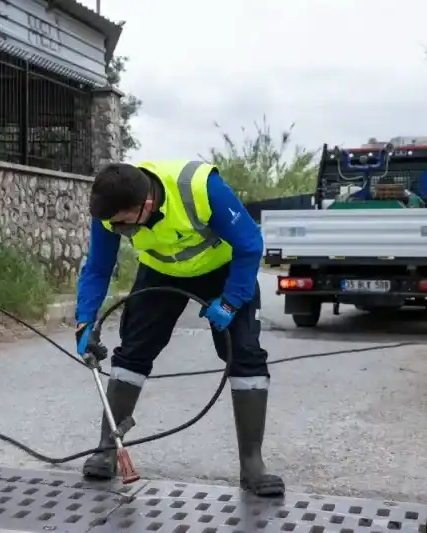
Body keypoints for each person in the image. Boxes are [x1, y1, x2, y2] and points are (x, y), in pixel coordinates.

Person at [74, 160, 284, 497]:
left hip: (223, 269)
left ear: (145, 205)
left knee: (245, 354)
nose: (119, 229)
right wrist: (85, 321)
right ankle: (107, 449)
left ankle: (253, 465)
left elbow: (249, 244)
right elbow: (99, 266)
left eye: (124, 223)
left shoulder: (202, 188)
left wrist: (230, 302)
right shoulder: (111, 210)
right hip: (160, 271)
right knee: (133, 352)